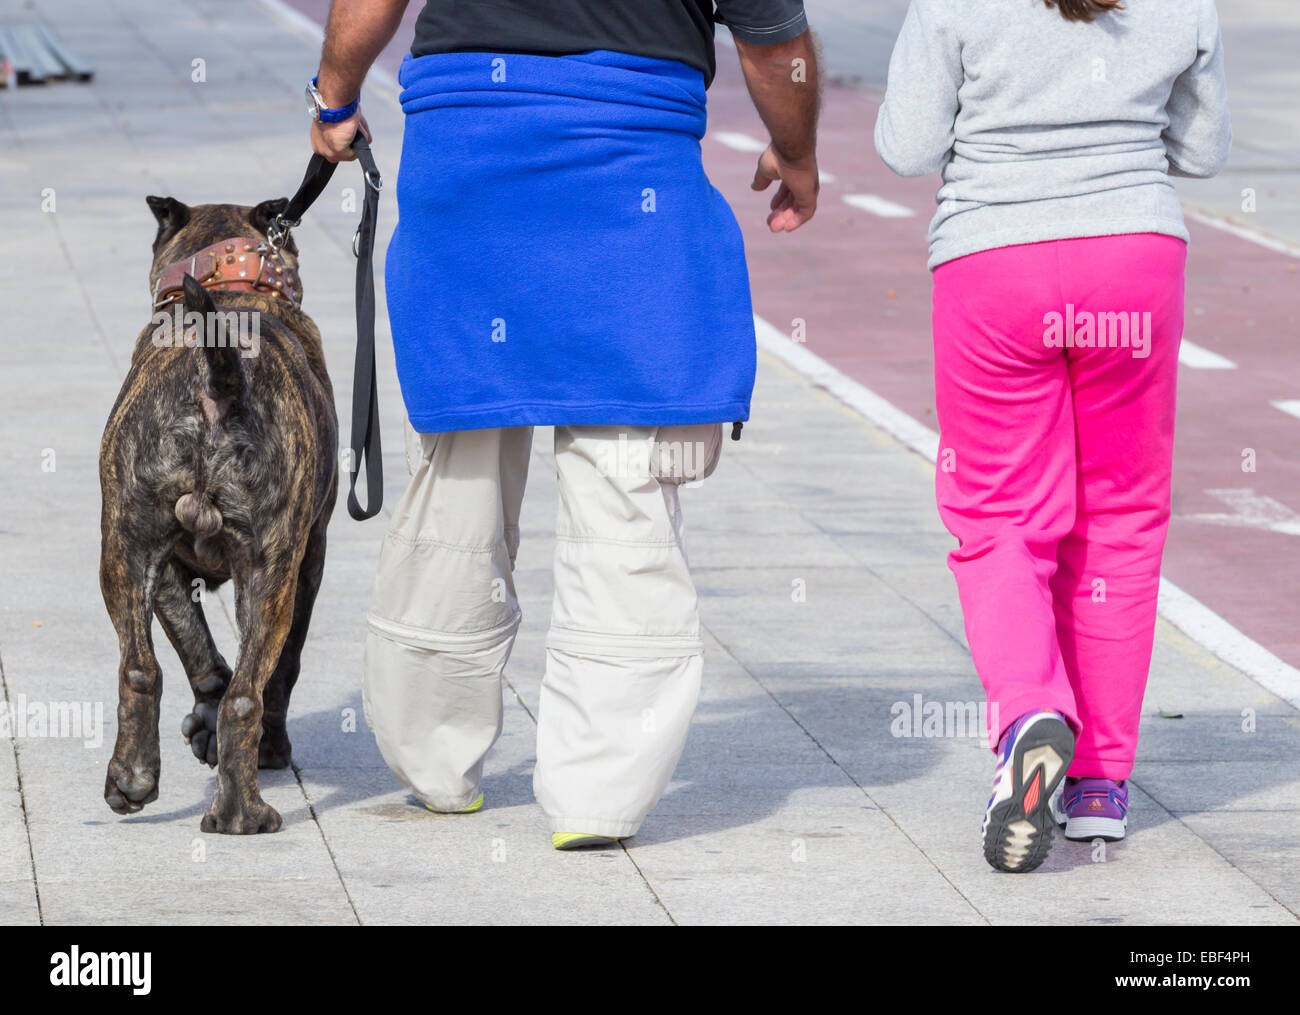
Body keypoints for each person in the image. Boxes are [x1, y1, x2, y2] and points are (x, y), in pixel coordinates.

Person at [308, 0, 820, 849]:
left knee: (455, 479)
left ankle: (435, 766)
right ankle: (597, 799)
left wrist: (334, 98)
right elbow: (776, 41)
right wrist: (795, 152)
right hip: (630, 167)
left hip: (467, 152)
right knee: (625, 488)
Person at [874, 0, 1230, 872]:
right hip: (1134, 261)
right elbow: (1204, 151)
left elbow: (908, 146)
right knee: (1122, 517)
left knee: (997, 513)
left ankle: (1030, 714)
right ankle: (1101, 785)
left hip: (996, 261)